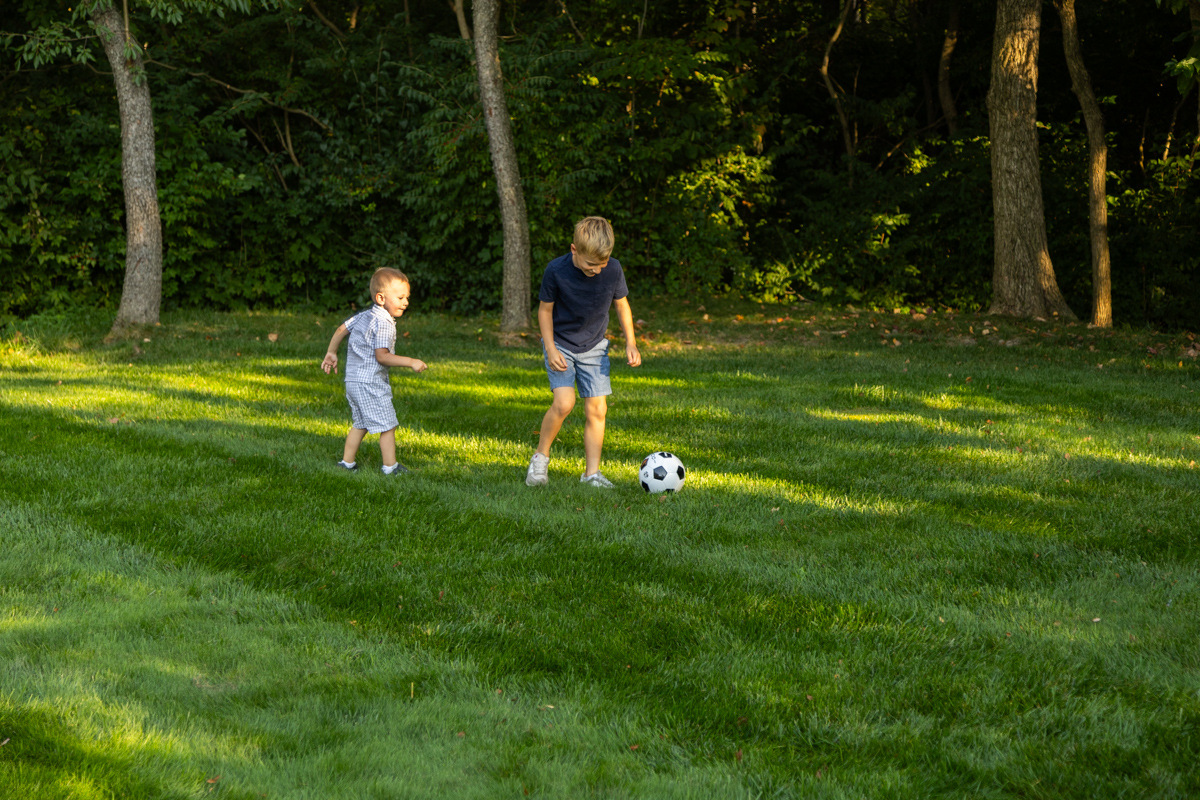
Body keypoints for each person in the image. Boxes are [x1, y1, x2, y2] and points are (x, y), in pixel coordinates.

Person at [526, 216, 641, 488]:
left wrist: (631, 342)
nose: (598, 270)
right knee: (564, 403)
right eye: (591, 264)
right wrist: (550, 347)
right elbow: (545, 310)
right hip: (560, 344)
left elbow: (622, 305)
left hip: (594, 347)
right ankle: (540, 458)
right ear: (574, 250)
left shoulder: (613, 269)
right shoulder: (556, 270)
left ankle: (591, 474)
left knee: (598, 409)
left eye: (603, 263)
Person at [321, 268, 428, 474]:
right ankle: (390, 467)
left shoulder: (364, 316)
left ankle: (347, 463)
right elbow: (382, 356)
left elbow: (341, 329)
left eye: (407, 297)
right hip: (370, 383)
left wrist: (331, 352)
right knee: (387, 425)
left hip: (353, 381)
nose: (406, 302)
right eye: (400, 298)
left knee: (360, 423)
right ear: (381, 298)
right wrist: (411, 361)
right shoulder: (384, 322)